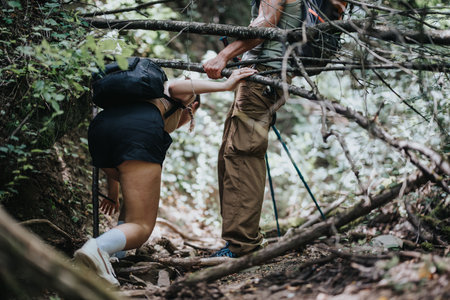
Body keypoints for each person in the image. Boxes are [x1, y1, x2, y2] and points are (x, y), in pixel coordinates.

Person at [74, 67, 257, 286]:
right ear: (193, 108)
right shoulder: (171, 94)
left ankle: (112, 257)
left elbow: (123, 168)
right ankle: (97, 248)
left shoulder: (133, 100)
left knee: (133, 207)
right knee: (141, 226)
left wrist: (113, 194)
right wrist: (225, 86)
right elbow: (177, 86)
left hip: (101, 130)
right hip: (136, 133)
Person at [203, 0, 302, 258]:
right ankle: (238, 241)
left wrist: (224, 55)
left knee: (241, 158)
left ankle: (242, 246)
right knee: (232, 153)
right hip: (263, 76)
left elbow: (266, 25)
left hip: (263, 77)